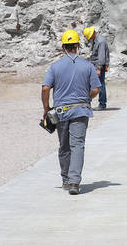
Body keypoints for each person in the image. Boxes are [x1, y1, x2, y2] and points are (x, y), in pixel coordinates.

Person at [42, 29, 100, 195]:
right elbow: (96, 89)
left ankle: (66, 179)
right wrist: (86, 98)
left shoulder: (55, 67)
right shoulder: (88, 66)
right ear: (78, 46)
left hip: (60, 112)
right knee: (78, 145)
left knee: (64, 146)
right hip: (81, 111)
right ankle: (74, 182)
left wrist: (46, 109)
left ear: (63, 47)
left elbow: (45, 88)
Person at [82, 26, 110, 109]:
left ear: (93, 34)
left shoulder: (101, 41)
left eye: (90, 37)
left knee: (100, 84)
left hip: (99, 66)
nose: (90, 39)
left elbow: (101, 56)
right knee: (93, 84)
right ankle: (88, 103)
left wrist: (99, 69)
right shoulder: (96, 40)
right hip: (94, 65)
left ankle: (102, 104)